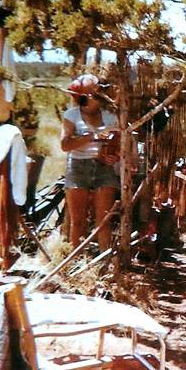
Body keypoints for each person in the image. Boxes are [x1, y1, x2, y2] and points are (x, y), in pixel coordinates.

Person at [60, 75, 119, 252]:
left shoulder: (110, 115)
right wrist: (92, 136)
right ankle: (76, 259)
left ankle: (104, 258)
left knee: (104, 220)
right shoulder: (71, 115)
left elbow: (118, 141)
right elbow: (65, 145)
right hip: (78, 166)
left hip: (103, 167)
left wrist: (114, 156)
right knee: (78, 221)